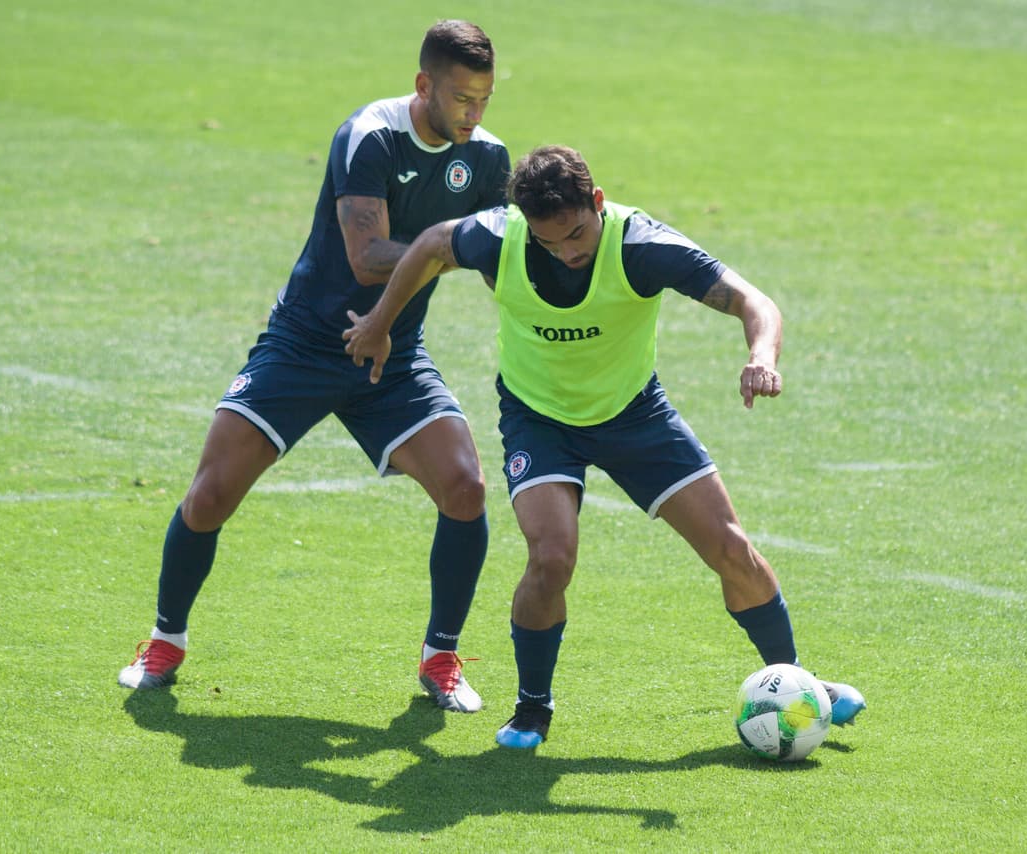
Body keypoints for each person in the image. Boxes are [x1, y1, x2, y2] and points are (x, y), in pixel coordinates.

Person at [343, 144, 866, 747]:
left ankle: (799, 683)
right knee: (551, 556)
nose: (566, 253)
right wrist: (379, 323)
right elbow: (434, 243)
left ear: (595, 202)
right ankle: (533, 706)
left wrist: (760, 357)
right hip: (539, 420)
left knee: (731, 548)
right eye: (550, 242)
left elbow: (756, 302)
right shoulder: (500, 237)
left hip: (635, 415)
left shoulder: (643, 247)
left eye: (575, 235)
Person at [118, 20, 511, 714]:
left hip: (391, 354)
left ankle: (441, 656)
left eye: (483, 100)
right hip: (305, 343)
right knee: (210, 495)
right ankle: (165, 639)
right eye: (460, 99)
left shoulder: (486, 158)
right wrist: (455, 244)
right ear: (425, 85)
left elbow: (499, 265)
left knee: (466, 487)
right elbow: (368, 256)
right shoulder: (370, 135)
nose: (473, 116)